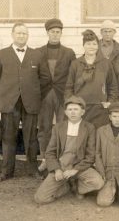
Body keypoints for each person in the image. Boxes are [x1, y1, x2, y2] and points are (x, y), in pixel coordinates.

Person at [0, 22, 41, 181]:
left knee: (31, 138)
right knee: (8, 138)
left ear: (28, 36)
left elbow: (43, 80)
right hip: (8, 103)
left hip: (30, 103)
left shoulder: (36, 55)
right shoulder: (1, 54)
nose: (21, 36)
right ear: (12, 34)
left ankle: (32, 170)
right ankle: (7, 171)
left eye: (24, 33)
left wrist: (39, 99)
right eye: (18, 33)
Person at [34, 96, 104, 204]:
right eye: (70, 109)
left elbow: (90, 155)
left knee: (98, 182)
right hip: (62, 167)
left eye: (76, 109)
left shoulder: (89, 128)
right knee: (40, 198)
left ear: (82, 112)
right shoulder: (58, 127)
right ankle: (66, 186)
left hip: (79, 167)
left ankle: (78, 188)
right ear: (65, 112)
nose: (73, 112)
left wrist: (75, 170)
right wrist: (56, 169)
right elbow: (50, 152)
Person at [37, 18, 76, 173]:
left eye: (58, 32)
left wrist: (71, 96)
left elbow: (73, 75)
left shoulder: (69, 52)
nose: (55, 34)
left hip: (63, 95)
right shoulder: (38, 52)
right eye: (52, 32)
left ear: (61, 33)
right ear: (47, 33)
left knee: (63, 127)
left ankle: (61, 159)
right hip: (45, 94)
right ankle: (46, 159)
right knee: (44, 128)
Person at [65, 29, 119, 129]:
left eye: (94, 44)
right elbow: (69, 87)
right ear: (83, 45)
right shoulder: (76, 64)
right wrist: (72, 105)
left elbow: (113, 86)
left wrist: (110, 102)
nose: (91, 47)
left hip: (100, 108)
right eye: (88, 44)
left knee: (98, 136)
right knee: (82, 135)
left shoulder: (105, 63)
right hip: (81, 108)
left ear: (98, 46)